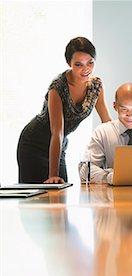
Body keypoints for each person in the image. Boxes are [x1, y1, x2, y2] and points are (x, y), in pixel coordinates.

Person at [17, 37, 112, 183]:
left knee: (60, 196)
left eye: (90, 62)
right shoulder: (57, 87)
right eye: (78, 64)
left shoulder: (96, 85)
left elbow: (107, 122)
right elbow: (57, 132)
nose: (86, 69)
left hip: (58, 146)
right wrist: (52, 175)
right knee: (38, 198)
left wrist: (124, 153)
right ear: (69, 64)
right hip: (34, 143)